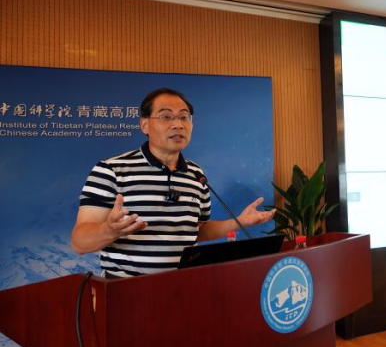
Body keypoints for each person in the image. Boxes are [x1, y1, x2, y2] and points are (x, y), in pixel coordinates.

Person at [71, 88, 275, 278]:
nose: (178, 124)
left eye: (184, 117)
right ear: (144, 124)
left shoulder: (196, 174)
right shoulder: (111, 170)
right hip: (126, 290)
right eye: (166, 117)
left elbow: (197, 230)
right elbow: (79, 243)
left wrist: (239, 222)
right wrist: (109, 231)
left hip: (182, 287)